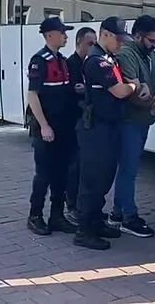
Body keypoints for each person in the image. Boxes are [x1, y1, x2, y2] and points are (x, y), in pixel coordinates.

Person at [74, 17, 143, 250]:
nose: (122, 43)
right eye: (118, 38)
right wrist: (134, 85)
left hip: (108, 127)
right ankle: (84, 230)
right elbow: (120, 90)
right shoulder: (97, 61)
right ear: (105, 34)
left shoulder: (107, 58)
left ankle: (95, 221)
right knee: (92, 180)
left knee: (104, 178)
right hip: (96, 129)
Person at [106, 15, 155, 238]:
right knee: (129, 169)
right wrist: (153, 103)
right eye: (152, 40)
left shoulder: (149, 54)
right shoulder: (127, 54)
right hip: (130, 120)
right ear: (138, 36)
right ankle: (128, 217)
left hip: (142, 120)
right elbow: (132, 89)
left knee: (128, 169)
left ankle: (118, 213)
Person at [25, 17, 79, 236]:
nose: (66, 36)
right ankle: (35, 216)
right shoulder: (40, 60)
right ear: (49, 35)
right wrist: (44, 126)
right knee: (44, 174)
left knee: (62, 174)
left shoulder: (62, 60)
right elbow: (33, 96)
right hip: (47, 127)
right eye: (62, 32)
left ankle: (57, 216)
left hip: (64, 126)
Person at [64, 26, 97, 226]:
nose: (93, 47)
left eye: (95, 43)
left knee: (87, 166)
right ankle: (72, 205)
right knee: (74, 166)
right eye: (89, 43)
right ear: (79, 43)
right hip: (74, 121)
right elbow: (68, 91)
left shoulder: (93, 63)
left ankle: (84, 205)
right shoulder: (71, 64)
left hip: (88, 122)